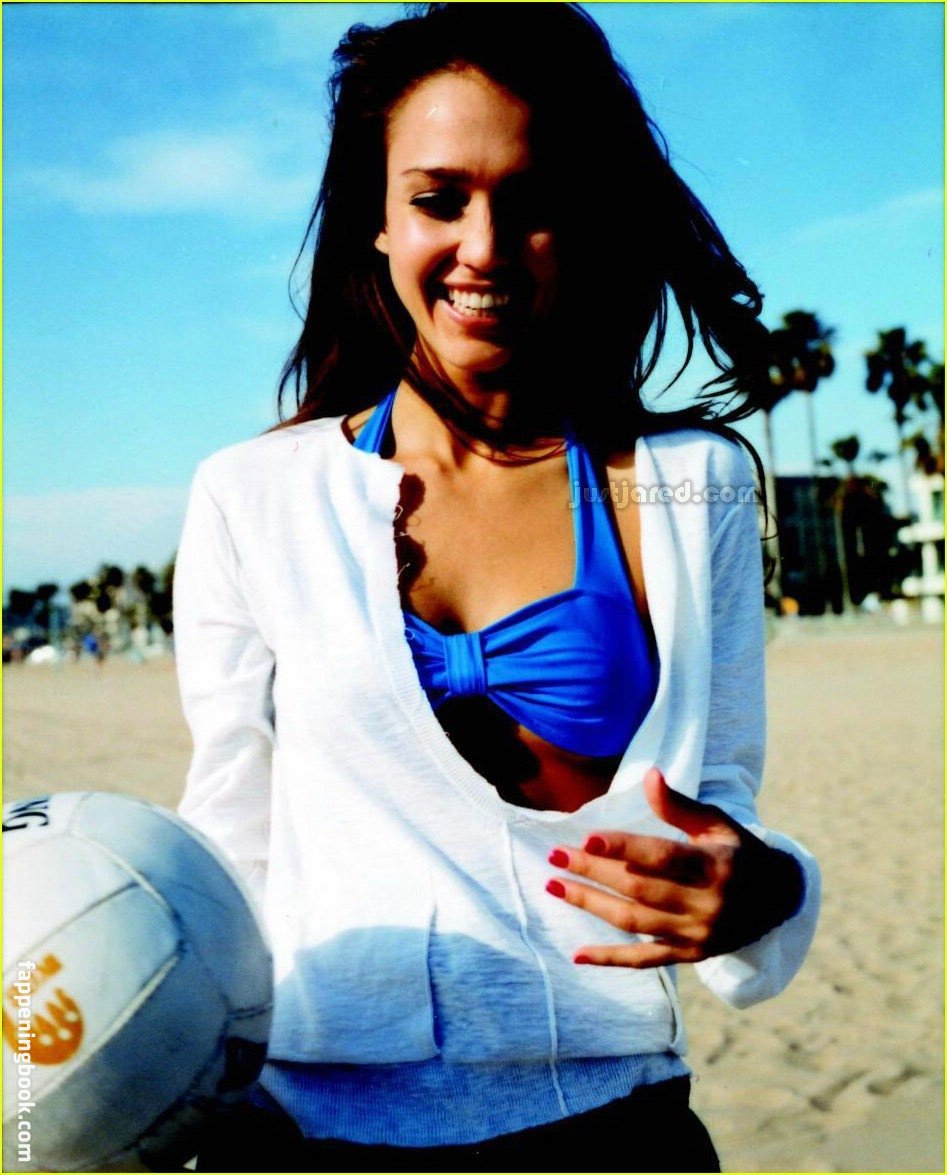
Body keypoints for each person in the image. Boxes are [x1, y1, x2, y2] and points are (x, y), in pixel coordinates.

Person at [174, 5, 820, 1170]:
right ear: (376, 222)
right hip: (305, 1129)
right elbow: (228, 840)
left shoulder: (691, 487)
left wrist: (764, 888)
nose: (483, 245)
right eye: (438, 199)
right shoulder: (249, 496)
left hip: (609, 1119)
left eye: (530, 203)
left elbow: (720, 801)